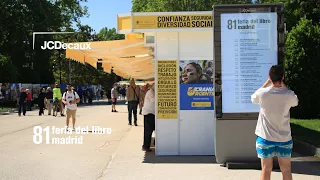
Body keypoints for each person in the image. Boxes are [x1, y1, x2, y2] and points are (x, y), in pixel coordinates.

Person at [251, 65, 299, 180]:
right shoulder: (289, 94)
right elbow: (295, 102)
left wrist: (266, 83)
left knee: (266, 169)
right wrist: (283, 84)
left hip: (265, 138)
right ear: (283, 76)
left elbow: (253, 98)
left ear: (269, 77)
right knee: (286, 169)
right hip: (284, 139)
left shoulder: (262, 93)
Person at [142, 83, 155, 152]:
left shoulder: (153, 92)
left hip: (152, 114)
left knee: (155, 129)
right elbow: (154, 101)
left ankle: (154, 143)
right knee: (148, 131)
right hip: (149, 114)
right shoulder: (150, 92)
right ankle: (145, 146)